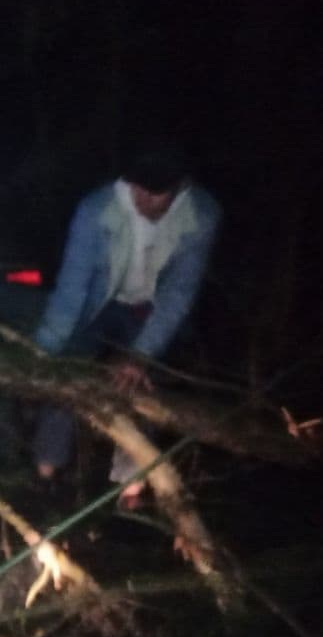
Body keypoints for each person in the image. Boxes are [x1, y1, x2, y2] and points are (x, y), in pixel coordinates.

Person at [32, 137, 221, 506]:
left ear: (181, 186)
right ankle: (46, 472)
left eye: (156, 192)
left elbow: (178, 293)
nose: (144, 199)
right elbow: (72, 286)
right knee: (67, 370)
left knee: (142, 385)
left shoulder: (202, 215)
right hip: (99, 306)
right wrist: (44, 349)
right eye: (138, 187)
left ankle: (130, 486)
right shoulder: (96, 208)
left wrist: (141, 355)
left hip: (148, 311)